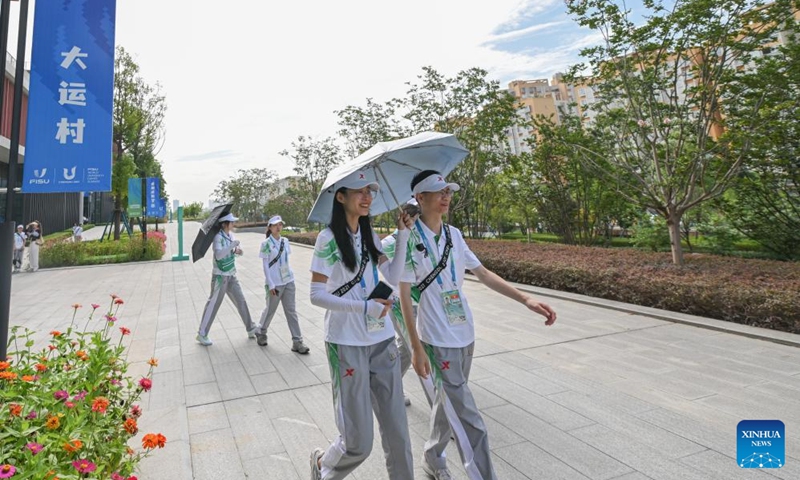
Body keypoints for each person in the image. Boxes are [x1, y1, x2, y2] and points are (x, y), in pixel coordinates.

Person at [399, 170, 557, 480]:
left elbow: (483, 274)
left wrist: (526, 299)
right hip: (437, 338)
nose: (446, 196)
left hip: (464, 332)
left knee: (449, 403)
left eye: (448, 190)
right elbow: (404, 295)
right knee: (470, 420)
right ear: (420, 197)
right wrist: (416, 347)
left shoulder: (454, 235)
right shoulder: (407, 239)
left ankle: (432, 456)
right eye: (437, 191)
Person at [308, 175, 415, 480]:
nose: (367, 197)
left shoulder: (370, 235)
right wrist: (365, 306)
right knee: (358, 442)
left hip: (382, 340)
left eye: (370, 192)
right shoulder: (328, 239)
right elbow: (316, 295)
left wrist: (402, 234)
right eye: (360, 192)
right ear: (340, 196)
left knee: (398, 432)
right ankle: (323, 467)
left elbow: (392, 277)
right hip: (346, 344)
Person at [380, 199, 422, 407]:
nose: (415, 219)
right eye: (413, 215)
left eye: (417, 215)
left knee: (405, 347)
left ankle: (389, 384)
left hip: (421, 302)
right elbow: (385, 273)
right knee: (412, 348)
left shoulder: (422, 238)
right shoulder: (389, 243)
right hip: (399, 303)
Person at [196, 213, 257, 346]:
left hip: (231, 274)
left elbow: (233, 251)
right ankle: (202, 333)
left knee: (240, 300)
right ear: (225, 224)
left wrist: (238, 250)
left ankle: (250, 328)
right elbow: (218, 255)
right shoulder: (218, 237)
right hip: (220, 277)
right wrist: (231, 246)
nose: (233, 224)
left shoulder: (230, 235)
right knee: (213, 304)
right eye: (231, 222)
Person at [256, 215, 310, 354]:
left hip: (288, 280)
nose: (278, 227)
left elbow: (286, 260)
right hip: (275, 283)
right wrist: (271, 284)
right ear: (269, 227)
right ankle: (261, 331)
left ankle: (297, 341)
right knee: (270, 309)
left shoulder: (285, 241)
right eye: (275, 225)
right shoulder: (266, 244)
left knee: (291, 311)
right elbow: (265, 266)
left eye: (280, 224)